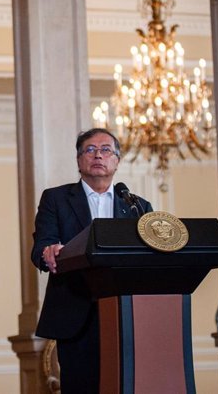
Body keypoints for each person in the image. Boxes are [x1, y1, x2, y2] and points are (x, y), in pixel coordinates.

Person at [31, 128, 152, 394]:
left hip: (125, 316)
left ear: (116, 161)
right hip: (75, 314)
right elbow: (40, 246)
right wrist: (48, 251)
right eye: (90, 149)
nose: (98, 155)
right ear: (79, 160)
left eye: (106, 150)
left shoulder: (137, 206)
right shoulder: (56, 198)